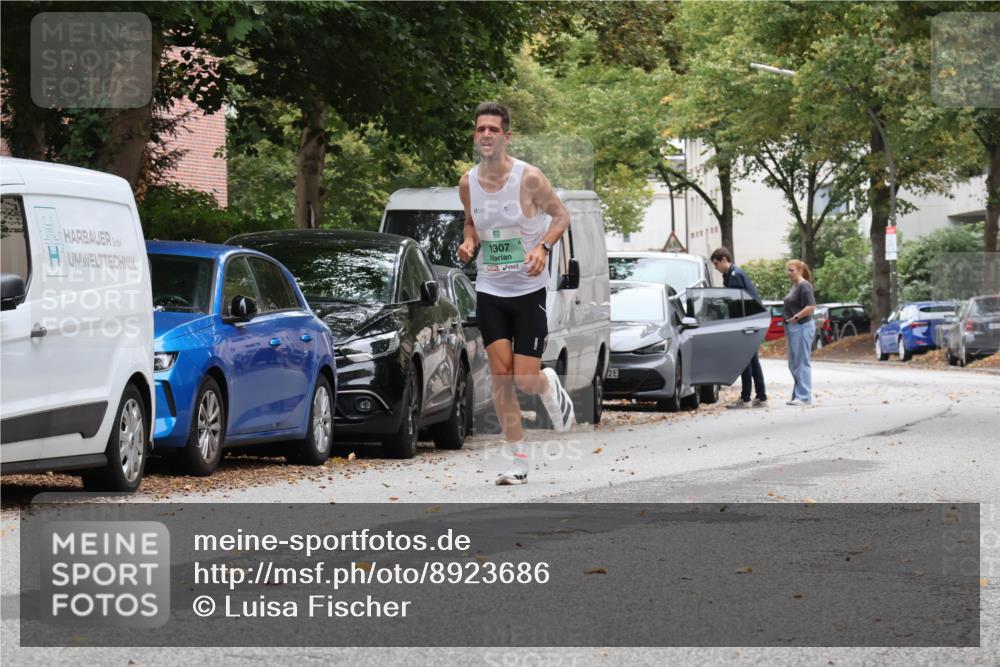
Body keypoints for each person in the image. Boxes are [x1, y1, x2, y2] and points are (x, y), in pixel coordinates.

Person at [457, 101, 575, 486]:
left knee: (524, 379)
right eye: (480, 129)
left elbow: (561, 216)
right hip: (490, 289)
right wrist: (469, 243)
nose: (486, 135)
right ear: (475, 137)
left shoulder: (529, 178)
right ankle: (519, 462)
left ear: (506, 136)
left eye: (493, 129)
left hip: (528, 291)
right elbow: (471, 223)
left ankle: (546, 382)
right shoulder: (467, 182)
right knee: (501, 378)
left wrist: (542, 247)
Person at [710, 247, 768, 409]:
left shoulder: (735, 276)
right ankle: (761, 397)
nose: (716, 267)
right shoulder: (733, 274)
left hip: (746, 322)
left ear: (724, 260)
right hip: (752, 321)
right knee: (753, 361)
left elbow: (735, 304)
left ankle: (745, 398)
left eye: (716, 264)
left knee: (745, 360)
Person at [783, 259, 816, 405]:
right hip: (793, 328)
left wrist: (796, 317)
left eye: (792, 270)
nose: (789, 273)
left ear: (800, 271)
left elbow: (811, 306)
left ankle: (804, 397)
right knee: (793, 363)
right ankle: (798, 394)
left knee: (802, 362)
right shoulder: (795, 286)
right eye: (788, 270)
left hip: (803, 326)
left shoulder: (804, 286)